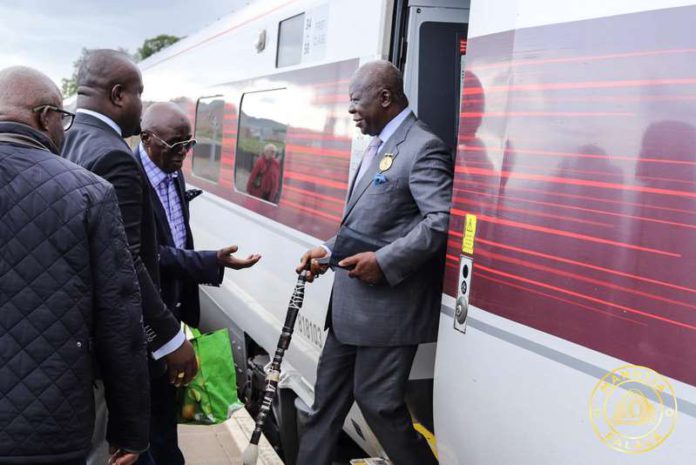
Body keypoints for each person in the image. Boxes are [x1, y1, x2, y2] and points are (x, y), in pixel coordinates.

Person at [295, 60, 453, 465]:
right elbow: (368, 223)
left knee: (379, 405)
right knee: (323, 407)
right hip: (348, 312)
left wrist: (384, 262)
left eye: (355, 100)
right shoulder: (377, 145)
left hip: (388, 312)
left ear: (385, 97)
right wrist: (328, 251)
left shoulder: (422, 147)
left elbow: (441, 220)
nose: (350, 110)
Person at [0, 66, 149, 465]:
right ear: (45, 117)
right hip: (49, 429)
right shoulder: (89, 193)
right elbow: (120, 322)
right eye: (63, 120)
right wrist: (130, 431)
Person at [60, 49, 197, 463]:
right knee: (136, 445)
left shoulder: (67, 137)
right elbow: (127, 262)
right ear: (119, 95)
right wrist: (171, 337)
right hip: (118, 338)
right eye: (140, 93)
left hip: (79, 331)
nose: (142, 104)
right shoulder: (115, 155)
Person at [135, 101, 262, 465]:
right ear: (146, 138)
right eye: (176, 145)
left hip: (174, 309)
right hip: (147, 316)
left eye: (188, 144)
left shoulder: (173, 175)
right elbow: (148, 254)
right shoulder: (129, 176)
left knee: (165, 415)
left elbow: (178, 240)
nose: (184, 154)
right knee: (150, 419)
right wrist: (210, 261)